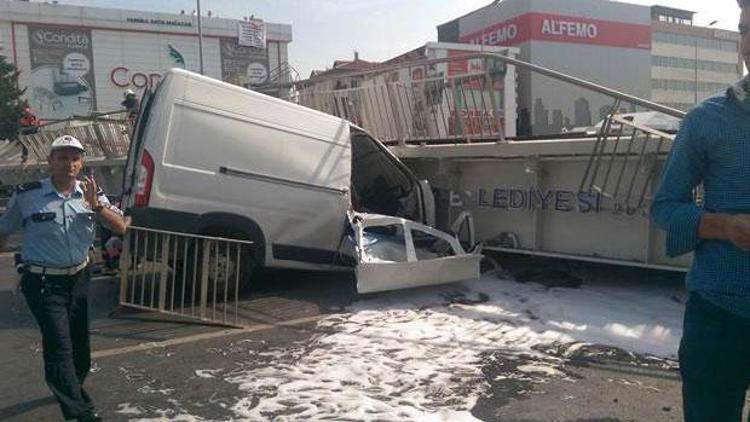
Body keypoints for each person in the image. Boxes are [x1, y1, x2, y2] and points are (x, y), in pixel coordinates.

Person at [650, 1, 750, 420]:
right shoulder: (707, 119)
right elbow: (664, 208)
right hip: (719, 318)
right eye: (746, 29)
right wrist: (723, 226)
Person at [0, 135, 127, 422]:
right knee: (59, 345)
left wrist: (97, 207)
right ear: (50, 161)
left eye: (74, 157)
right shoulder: (27, 194)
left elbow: (121, 227)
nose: (69, 163)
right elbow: (4, 229)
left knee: (79, 345)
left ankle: (68, 385)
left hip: (80, 279)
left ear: (81, 162)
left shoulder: (91, 193)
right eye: (62, 157)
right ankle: (80, 412)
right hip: (43, 283)